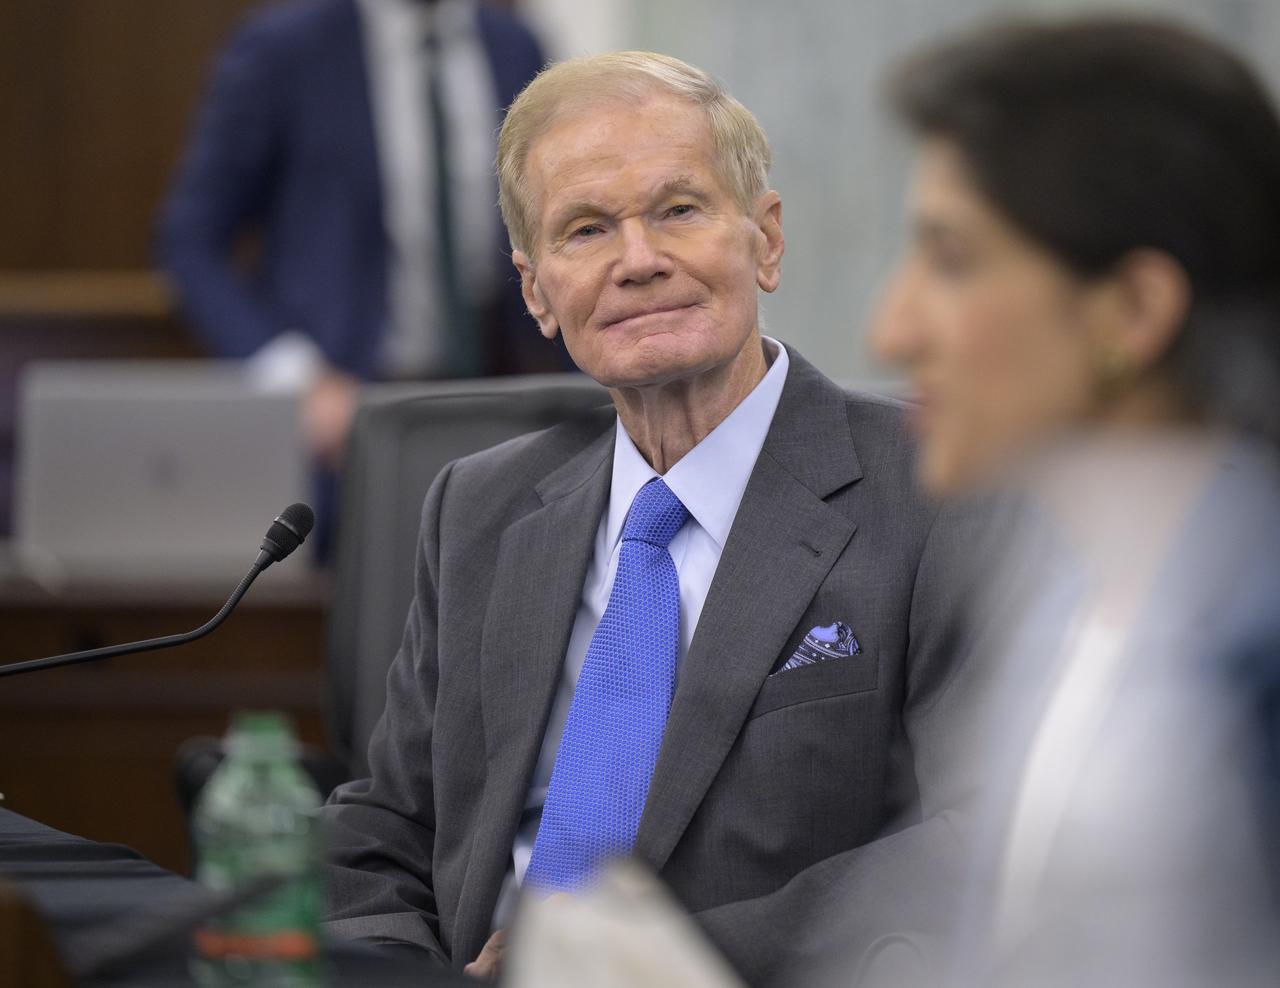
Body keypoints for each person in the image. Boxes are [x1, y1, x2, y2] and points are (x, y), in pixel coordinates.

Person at [319, 51, 976, 985]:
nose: (638, 262)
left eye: (678, 210)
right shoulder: (479, 508)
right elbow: (383, 828)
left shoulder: (939, 488)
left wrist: (632, 963)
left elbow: (981, 840)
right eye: (585, 230)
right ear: (537, 290)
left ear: (766, 238)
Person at [860, 15, 1280, 986]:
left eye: (952, 258)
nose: (891, 327)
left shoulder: (1252, 644)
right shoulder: (1054, 584)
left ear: (1130, 311)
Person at [156, 0, 563, 471]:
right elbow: (190, 242)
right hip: (345, 420)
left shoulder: (513, 44)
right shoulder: (286, 47)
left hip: (495, 409)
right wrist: (296, 379)